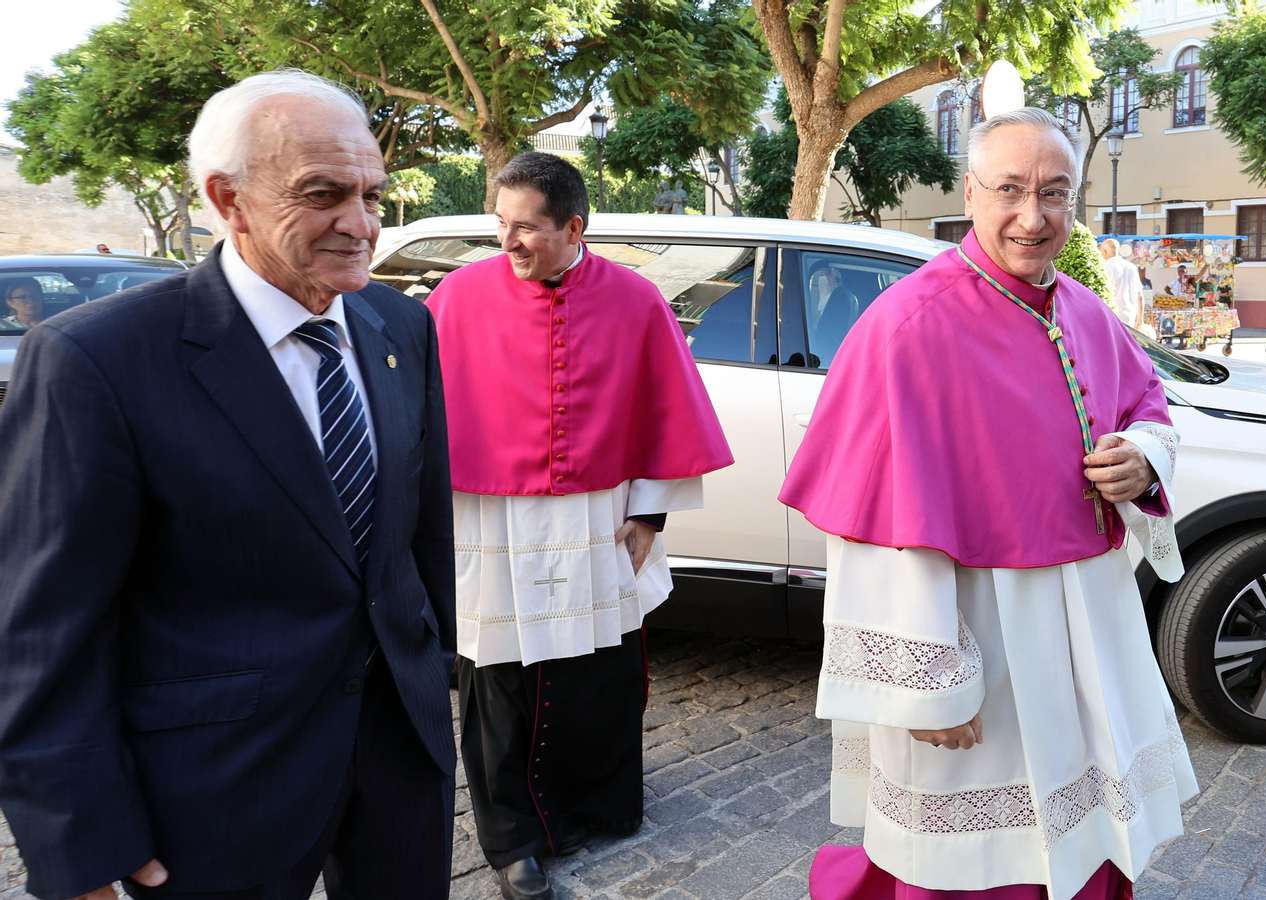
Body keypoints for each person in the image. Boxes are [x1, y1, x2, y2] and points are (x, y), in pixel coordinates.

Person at [0, 71, 456, 900]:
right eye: (324, 194)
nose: (360, 226)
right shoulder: (96, 361)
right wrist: (81, 842)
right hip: (215, 790)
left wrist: (433, 680)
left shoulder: (401, 325)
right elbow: (42, 627)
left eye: (371, 194)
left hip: (399, 758)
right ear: (227, 198)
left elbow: (421, 535)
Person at [781, 106, 1195, 900]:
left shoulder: (1083, 308)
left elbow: (1151, 405)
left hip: (1087, 628)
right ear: (969, 192)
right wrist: (923, 688)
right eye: (1009, 189)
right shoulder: (907, 325)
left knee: (1082, 835)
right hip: (981, 635)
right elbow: (874, 533)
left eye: (1055, 193)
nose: (1032, 217)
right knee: (977, 868)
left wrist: (1144, 458)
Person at [424, 151, 733, 900]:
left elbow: (665, 411)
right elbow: (420, 423)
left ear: (574, 226)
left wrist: (649, 514)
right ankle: (513, 842)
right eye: (501, 225)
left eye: (526, 227)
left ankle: (595, 809)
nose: (508, 243)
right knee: (499, 676)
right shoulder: (457, 298)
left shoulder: (635, 301)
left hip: (599, 514)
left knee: (598, 668)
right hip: (491, 518)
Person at [1098, 239, 1144, 329]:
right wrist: (1140, 319)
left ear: (1105, 251)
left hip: (1111, 316)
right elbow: (1140, 296)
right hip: (1129, 318)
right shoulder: (1131, 267)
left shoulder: (1105, 268)